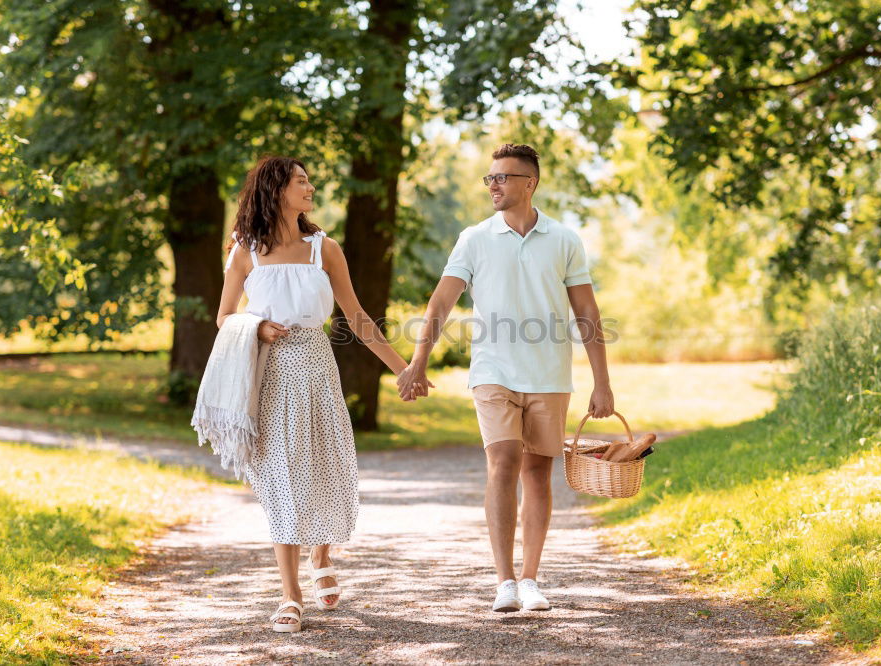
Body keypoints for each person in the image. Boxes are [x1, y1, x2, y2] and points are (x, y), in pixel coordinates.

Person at [398, 143, 615, 612]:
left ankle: (531, 578)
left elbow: (587, 313)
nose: (494, 184)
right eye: (490, 177)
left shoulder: (564, 239)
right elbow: (440, 304)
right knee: (502, 464)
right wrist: (418, 361)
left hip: (549, 375)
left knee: (538, 473)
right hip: (492, 371)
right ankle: (504, 582)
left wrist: (602, 382)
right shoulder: (474, 238)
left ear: (530, 183)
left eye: (504, 177)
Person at [215, 155, 428, 633]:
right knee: (283, 477)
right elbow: (224, 316)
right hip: (269, 371)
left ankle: (322, 551)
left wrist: (405, 370)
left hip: (317, 366)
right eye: (301, 182)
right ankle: (290, 595)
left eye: (309, 181)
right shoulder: (245, 251)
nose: (310, 188)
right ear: (276, 191)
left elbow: (356, 317)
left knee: (324, 464)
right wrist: (256, 325)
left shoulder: (323, 249)